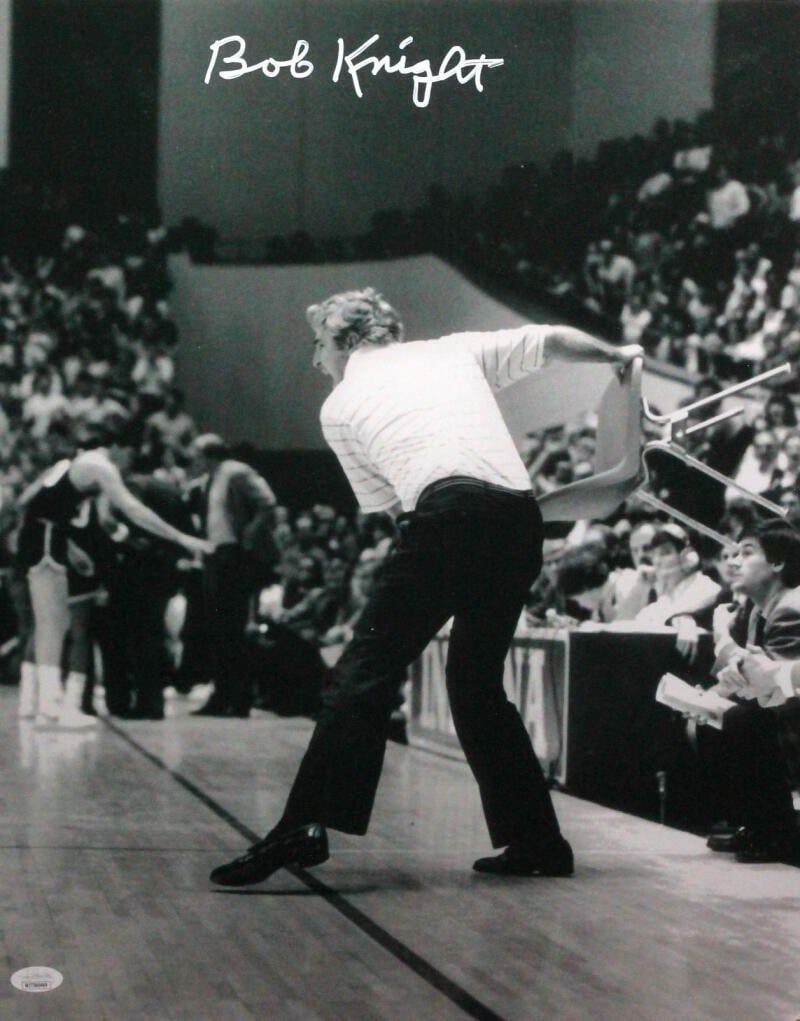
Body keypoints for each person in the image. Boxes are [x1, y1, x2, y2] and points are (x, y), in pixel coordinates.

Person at [210, 287, 642, 887]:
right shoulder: (454, 351)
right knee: (474, 685)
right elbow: (554, 341)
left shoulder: (339, 408)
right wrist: (619, 355)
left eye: (316, 345)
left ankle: (304, 825)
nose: (314, 361)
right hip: (519, 521)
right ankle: (539, 842)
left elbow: (396, 511)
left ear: (343, 341)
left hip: (445, 516)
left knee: (361, 672)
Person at [15, 424, 210, 725]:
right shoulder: (99, 466)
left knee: (50, 625)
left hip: (43, 536)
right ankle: (50, 709)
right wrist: (182, 539)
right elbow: (133, 510)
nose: (129, 463)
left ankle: (41, 706)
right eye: (131, 455)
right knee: (54, 627)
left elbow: (25, 500)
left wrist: (63, 537)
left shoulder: (68, 465)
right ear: (120, 448)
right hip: (47, 539)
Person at [704, 520, 800, 863]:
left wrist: (722, 640)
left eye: (746, 553)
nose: (734, 562)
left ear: (777, 563)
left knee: (743, 719)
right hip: (782, 706)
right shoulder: (758, 610)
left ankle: (776, 830)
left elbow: (774, 683)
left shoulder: (790, 606)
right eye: (731, 554)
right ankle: (754, 824)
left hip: (791, 714)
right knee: (715, 715)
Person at [189, 433, 278, 718]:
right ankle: (222, 694)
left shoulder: (236, 471)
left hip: (235, 556)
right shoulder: (211, 480)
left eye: (198, 456)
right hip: (217, 554)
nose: (194, 461)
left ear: (209, 455)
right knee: (217, 628)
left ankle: (238, 698)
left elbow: (267, 501)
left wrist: (251, 533)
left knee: (232, 627)